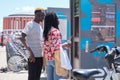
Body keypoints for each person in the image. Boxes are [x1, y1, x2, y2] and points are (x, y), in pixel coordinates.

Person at [43, 12, 71, 80]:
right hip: (56, 59)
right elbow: (56, 48)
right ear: (53, 20)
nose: (58, 20)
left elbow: (49, 45)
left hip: (48, 59)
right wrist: (64, 45)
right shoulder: (55, 31)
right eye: (57, 18)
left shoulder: (46, 31)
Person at [20, 8, 45, 80]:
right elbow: (22, 38)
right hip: (33, 57)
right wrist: (30, 52)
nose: (43, 17)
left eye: (43, 16)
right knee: (32, 77)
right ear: (36, 15)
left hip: (39, 56)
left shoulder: (40, 26)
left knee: (37, 77)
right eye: (41, 15)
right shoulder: (30, 24)